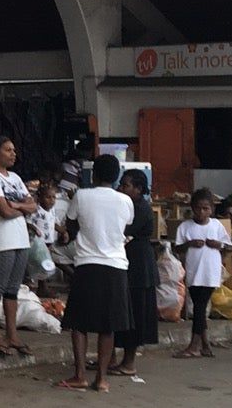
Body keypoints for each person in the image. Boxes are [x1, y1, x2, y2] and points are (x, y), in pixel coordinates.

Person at [57, 153, 133, 393]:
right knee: (107, 325)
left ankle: (79, 374)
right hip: (116, 265)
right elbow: (125, 226)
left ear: (94, 174)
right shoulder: (125, 201)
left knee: (79, 322)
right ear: (117, 176)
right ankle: (101, 379)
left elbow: (71, 224)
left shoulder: (82, 195)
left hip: (87, 264)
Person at [0, 134, 35, 356]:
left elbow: (32, 205)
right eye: (8, 150)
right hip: (2, 238)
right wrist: (20, 207)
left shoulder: (15, 178)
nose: (13, 154)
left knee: (13, 290)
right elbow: (4, 210)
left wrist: (16, 205)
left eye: (13, 150)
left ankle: (12, 334)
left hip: (21, 237)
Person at [173, 187, 232, 359]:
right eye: (198, 208)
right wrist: (190, 244)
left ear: (211, 210)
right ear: (192, 208)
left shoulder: (216, 225)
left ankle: (194, 345)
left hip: (210, 273)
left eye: (205, 208)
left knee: (199, 307)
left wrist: (218, 245)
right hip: (193, 272)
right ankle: (205, 345)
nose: (201, 212)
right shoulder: (185, 227)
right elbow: (178, 247)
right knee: (199, 307)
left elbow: (227, 246)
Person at [110, 169, 157, 378]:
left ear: (138, 189)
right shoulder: (126, 205)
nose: (121, 188)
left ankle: (129, 362)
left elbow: (123, 232)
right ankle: (111, 357)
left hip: (139, 265)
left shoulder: (141, 209)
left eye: (126, 185)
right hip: (128, 262)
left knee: (136, 313)